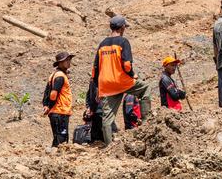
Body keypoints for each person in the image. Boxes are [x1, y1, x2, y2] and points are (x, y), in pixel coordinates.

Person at [88, 15, 152, 145]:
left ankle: (108, 145)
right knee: (145, 88)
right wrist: (132, 75)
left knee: (107, 117)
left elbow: (95, 69)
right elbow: (127, 65)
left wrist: (97, 87)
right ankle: (146, 124)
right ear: (122, 27)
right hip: (121, 81)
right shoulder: (123, 42)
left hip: (106, 84)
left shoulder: (102, 44)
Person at [43, 51, 74, 146]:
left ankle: (54, 153)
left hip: (58, 112)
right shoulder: (60, 76)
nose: (69, 62)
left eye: (69, 60)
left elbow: (46, 91)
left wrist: (45, 105)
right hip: (60, 112)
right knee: (62, 141)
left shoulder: (54, 75)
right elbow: (53, 94)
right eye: (66, 60)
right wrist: (49, 107)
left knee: (58, 139)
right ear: (60, 63)